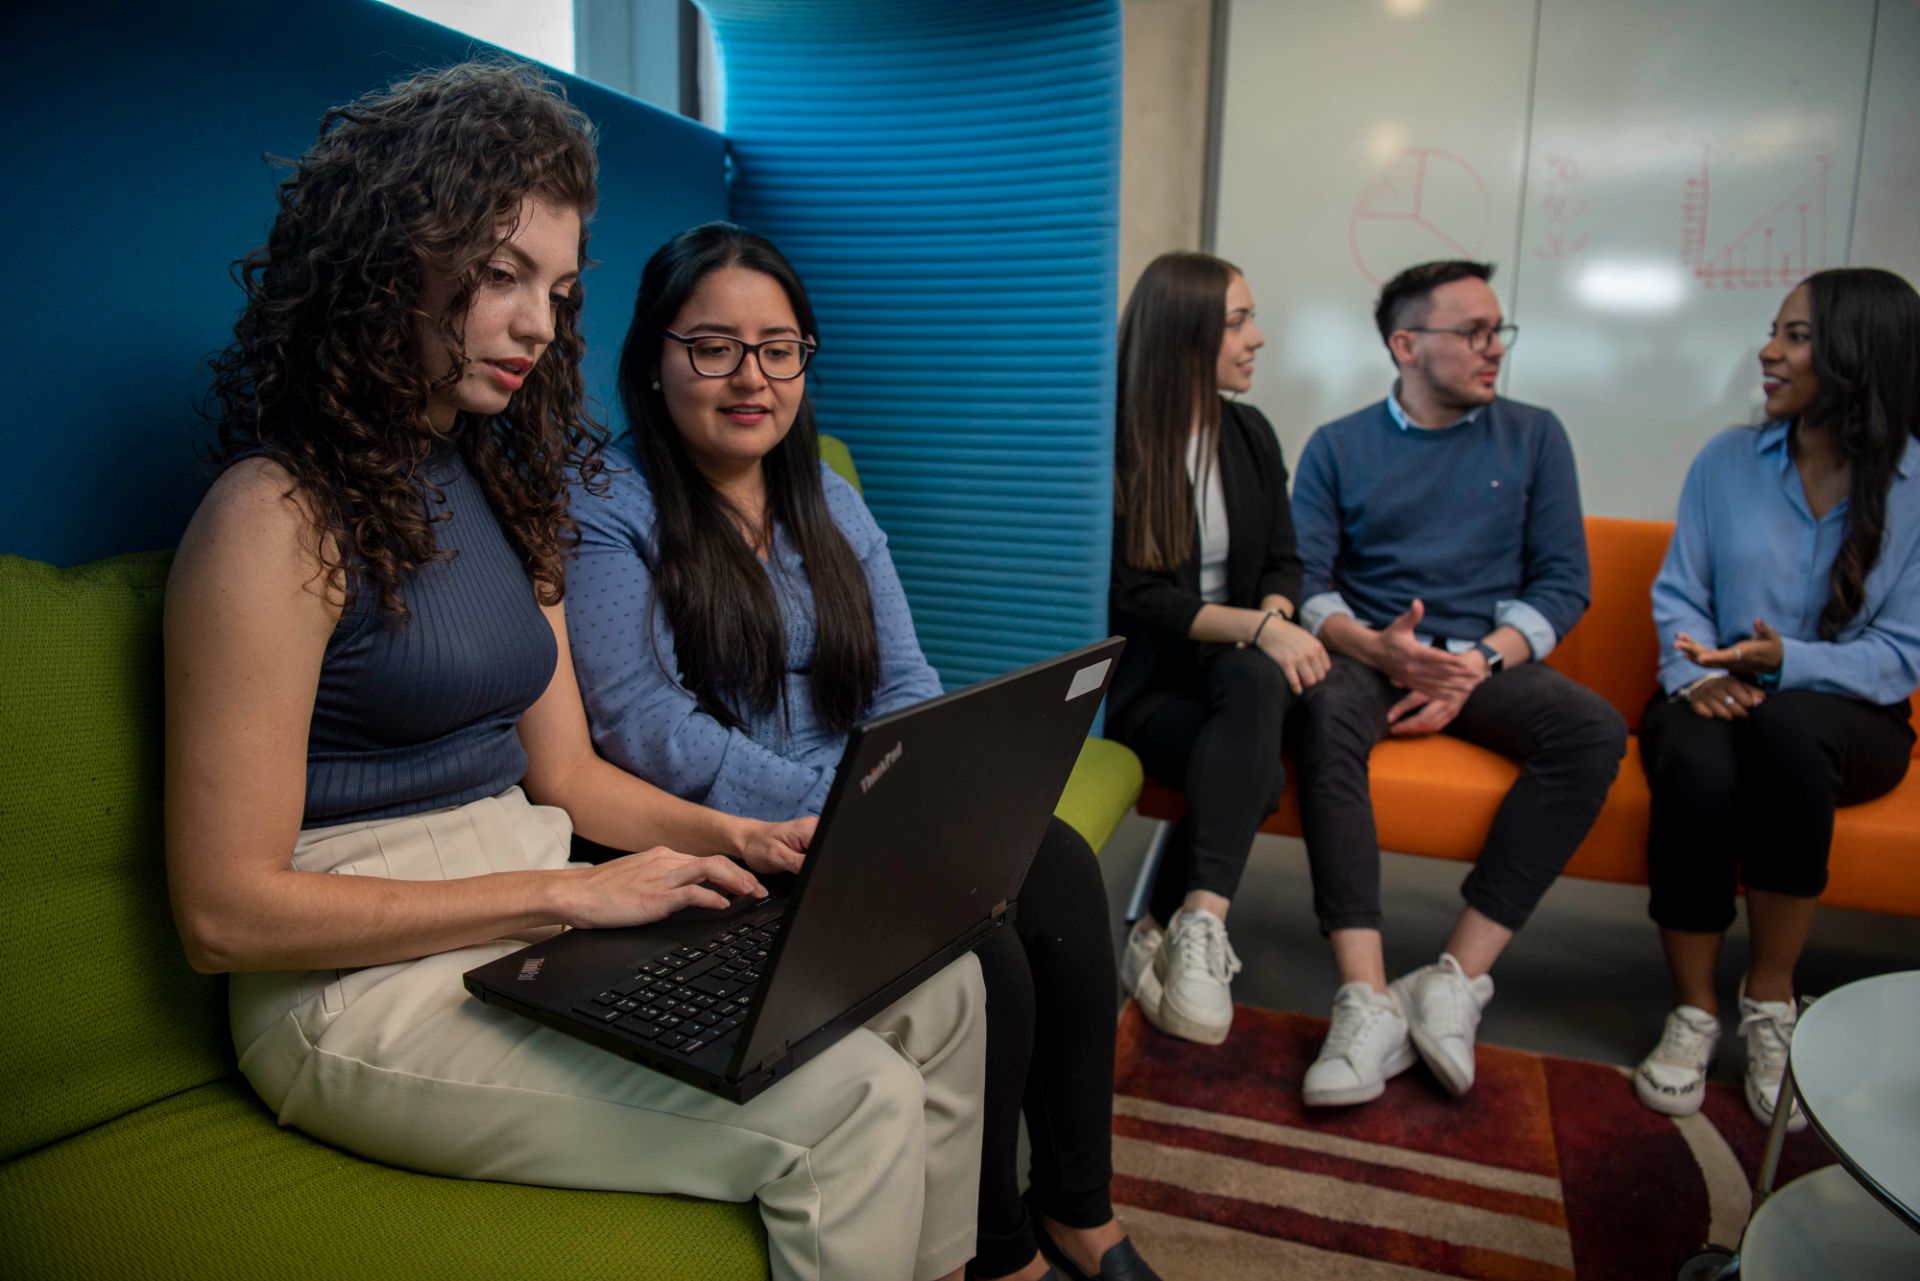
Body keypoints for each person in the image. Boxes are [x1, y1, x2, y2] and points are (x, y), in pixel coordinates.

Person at [163, 64, 986, 1281]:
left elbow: (570, 781)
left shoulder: (501, 493)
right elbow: (224, 915)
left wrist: (741, 839)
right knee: (851, 1102)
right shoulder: (272, 517)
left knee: (948, 991)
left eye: (556, 288)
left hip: (526, 899)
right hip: (347, 992)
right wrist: (565, 898)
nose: (540, 325)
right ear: (390, 258)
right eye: (501, 276)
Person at [563, 222, 1160, 1281]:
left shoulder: (827, 495)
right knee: (984, 955)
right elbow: (642, 724)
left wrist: (932, 788)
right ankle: (999, 1251)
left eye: (779, 347)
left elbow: (904, 682)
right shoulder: (606, 506)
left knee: (1059, 867)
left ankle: (1079, 1207)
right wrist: (852, 809)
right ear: (653, 361)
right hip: (736, 835)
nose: (752, 376)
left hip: (867, 806)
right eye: (714, 347)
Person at [1289, 259, 1627, 1107]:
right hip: (1376, 654)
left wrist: (1482, 661)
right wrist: (1373, 645)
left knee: (1591, 729)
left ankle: (1454, 978)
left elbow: (1562, 581)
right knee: (1322, 712)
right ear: (1406, 344)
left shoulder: (1535, 436)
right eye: (1473, 332)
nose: (1494, 349)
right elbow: (1305, 579)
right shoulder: (1337, 444)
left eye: (1498, 331)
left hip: (1487, 657)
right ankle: (1365, 997)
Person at [1633, 268, 1920, 1130]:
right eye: (1775, 331)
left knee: (1790, 730)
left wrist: (1785, 661)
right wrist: (1696, 673)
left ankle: (1769, 999)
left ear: (1857, 357)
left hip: (1848, 720)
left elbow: (1900, 655)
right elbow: (1680, 594)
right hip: (1717, 689)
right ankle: (1693, 1010)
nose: (1768, 352)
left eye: (1795, 336)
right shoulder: (1726, 459)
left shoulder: (1915, 483)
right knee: (1689, 753)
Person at [1105, 251, 1328, 1047]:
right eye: (1238, 321)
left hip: (1231, 675)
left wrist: (1270, 610)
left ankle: (1188, 924)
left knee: (1253, 688)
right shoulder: (1121, 441)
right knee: (1255, 761)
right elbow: (1138, 596)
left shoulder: (1251, 432)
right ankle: (1165, 927)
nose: (1258, 338)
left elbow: (1283, 560)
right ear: (1186, 336)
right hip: (1147, 686)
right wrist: (1263, 627)